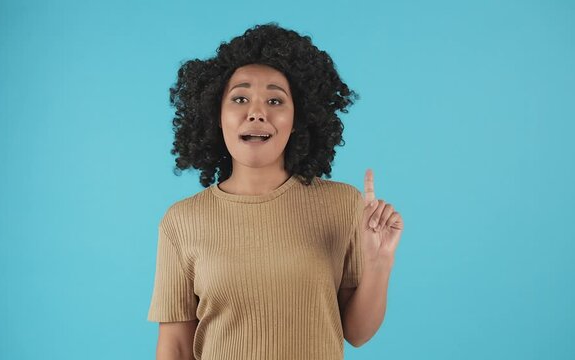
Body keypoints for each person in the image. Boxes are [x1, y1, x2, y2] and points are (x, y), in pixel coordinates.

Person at [147, 22, 404, 360]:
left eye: (275, 100)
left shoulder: (343, 205)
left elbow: (356, 333)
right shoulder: (181, 221)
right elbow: (176, 348)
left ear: (297, 117)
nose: (257, 113)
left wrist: (379, 262)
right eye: (240, 98)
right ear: (217, 114)